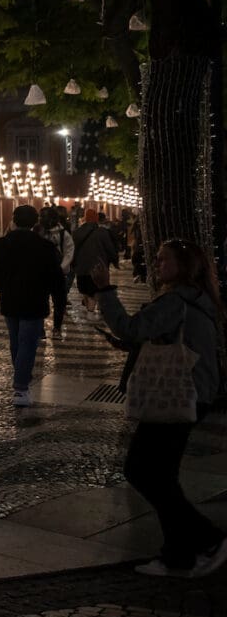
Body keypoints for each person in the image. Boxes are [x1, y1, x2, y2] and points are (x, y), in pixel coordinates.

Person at [87, 238, 226, 578]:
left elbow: (131, 327)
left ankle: (209, 539)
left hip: (179, 393)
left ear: (185, 266)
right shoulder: (198, 298)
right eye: (157, 258)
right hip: (197, 392)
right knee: (159, 475)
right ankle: (178, 554)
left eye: (164, 260)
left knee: (142, 470)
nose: (157, 264)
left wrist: (105, 290)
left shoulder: (176, 302)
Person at [0, 204, 71, 405]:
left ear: (14, 220)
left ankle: (21, 377)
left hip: (10, 301)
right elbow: (56, 279)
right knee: (28, 343)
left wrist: (4, 288)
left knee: (16, 341)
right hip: (34, 301)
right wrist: (59, 303)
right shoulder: (45, 247)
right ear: (35, 223)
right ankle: (21, 387)